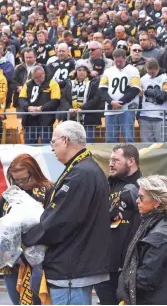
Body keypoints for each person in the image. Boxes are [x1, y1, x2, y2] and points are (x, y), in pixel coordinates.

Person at [22, 121, 111, 305]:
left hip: (71, 267)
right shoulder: (84, 169)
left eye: (53, 142)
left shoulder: (81, 173)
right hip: (74, 263)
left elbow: (60, 221)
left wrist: (26, 237)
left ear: (65, 140)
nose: (52, 147)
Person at [117, 175, 167, 305]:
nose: (137, 201)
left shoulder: (161, 233)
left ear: (156, 202)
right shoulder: (158, 222)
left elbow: (146, 278)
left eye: (141, 197)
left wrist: (124, 282)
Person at [0, 154, 54, 305]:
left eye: (24, 179)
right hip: (12, 264)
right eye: (16, 180)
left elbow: (54, 225)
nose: (21, 183)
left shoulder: (50, 191)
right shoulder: (9, 195)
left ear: (34, 172)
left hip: (40, 263)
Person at [95, 144, 142, 305]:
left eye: (116, 160)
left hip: (130, 265)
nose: (111, 163)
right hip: (104, 263)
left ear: (131, 161)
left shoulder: (144, 187)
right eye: (110, 159)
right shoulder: (107, 185)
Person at [99, 48, 141, 143]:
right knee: (110, 139)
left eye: (120, 61)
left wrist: (121, 102)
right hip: (110, 109)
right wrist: (111, 101)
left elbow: (135, 89)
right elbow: (101, 89)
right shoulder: (108, 71)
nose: (118, 64)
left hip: (126, 108)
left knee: (128, 138)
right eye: (116, 61)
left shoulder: (133, 70)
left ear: (125, 59)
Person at [57, 59, 104, 142]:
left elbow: (96, 99)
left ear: (87, 72)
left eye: (84, 70)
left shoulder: (93, 83)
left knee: (88, 142)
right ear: (76, 72)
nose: (81, 72)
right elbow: (63, 98)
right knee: (72, 142)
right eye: (79, 70)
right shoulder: (69, 83)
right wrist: (69, 109)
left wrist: (82, 109)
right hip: (71, 117)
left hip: (88, 118)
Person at [19, 65, 61, 144]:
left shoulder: (53, 83)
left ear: (44, 74)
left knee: (46, 145)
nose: (37, 80)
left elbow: (55, 101)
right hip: (30, 120)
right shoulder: (28, 84)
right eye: (35, 78)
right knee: (29, 146)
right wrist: (28, 108)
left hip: (46, 120)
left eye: (39, 77)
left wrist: (41, 108)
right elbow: (21, 98)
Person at [138, 58, 167, 142]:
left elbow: (165, 95)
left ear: (158, 68)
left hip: (161, 115)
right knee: (146, 143)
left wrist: (151, 92)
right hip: (145, 114)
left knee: (162, 143)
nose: (151, 74)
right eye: (149, 71)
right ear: (146, 69)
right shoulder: (142, 79)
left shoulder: (165, 78)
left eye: (153, 72)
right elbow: (140, 96)